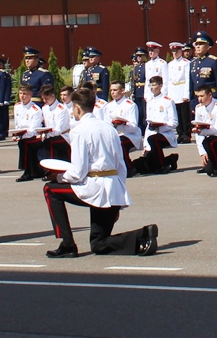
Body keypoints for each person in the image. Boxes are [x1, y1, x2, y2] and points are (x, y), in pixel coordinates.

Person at [41, 87, 159, 259]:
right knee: (99, 244)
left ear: (77, 109)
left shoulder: (79, 131)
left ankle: (67, 243)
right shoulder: (109, 128)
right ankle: (141, 235)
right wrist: (118, 197)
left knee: (50, 190)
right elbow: (121, 165)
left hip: (94, 187)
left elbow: (78, 173)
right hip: (113, 187)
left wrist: (58, 176)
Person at [135, 75, 178, 174]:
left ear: (161, 85)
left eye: (154, 85)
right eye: (150, 85)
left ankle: (163, 166)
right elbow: (149, 125)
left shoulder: (168, 101)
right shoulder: (149, 102)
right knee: (147, 166)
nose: (152, 88)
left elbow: (174, 122)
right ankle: (170, 159)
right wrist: (145, 145)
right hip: (152, 134)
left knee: (154, 139)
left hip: (166, 134)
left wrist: (161, 126)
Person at [106, 81, 142, 172]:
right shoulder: (109, 105)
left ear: (122, 91)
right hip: (115, 134)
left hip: (129, 135)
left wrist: (121, 124)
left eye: (115, 90)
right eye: (111, 90)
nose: (112, 93)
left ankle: (128, 169)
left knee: (120, 143)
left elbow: (133, 126)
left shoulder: (130, 105)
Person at [12, 84, 45, 181]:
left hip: (34, 137)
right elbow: (17, 124)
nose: (22, 96)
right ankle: (33, 170)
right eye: (20, 93)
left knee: (26, 144)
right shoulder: (17, 106)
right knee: (22, 142)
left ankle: (28, 172)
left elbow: (33, 130)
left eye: (25, 94)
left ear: (30, 95)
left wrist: (21, 136)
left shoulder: (35, 110)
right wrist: (16, 134)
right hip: (23, 136)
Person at [189, 31, 217, 112]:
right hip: (197, 100)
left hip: (212, 100)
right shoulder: (193, 63)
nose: (198, 46)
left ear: (207, 46)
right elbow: (191, 85)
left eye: (201, 44)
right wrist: (192, 104)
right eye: (196, 44)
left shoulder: (214, 61)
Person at [167, 41, 192, 144]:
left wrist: (186, 94)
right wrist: (168, 94)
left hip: (182, 89)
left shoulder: (186, 63)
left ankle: (187, 134)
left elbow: (187, 79)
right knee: (176, 114)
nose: (175, 53)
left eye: (176, 51)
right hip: (174, 90)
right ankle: (180, 133)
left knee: (185, 114)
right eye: (173, 51)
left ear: (180, 51)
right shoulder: (170, 64)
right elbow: (169, 80)